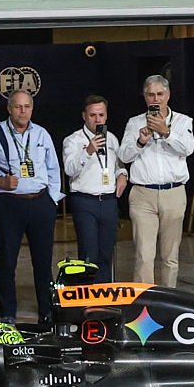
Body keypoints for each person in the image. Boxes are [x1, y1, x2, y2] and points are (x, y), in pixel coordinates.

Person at [0, 89, 64, 327]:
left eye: (27, 106)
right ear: (9, 108)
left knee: (43, 262)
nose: (23, 111)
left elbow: (53, 168)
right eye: (18, 106)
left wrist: (51, 199)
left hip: (40, 203)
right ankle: (8, 313)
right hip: (8, 204)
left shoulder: (42, 134)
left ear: (32, 109)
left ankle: (47, 311)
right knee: (7, 261)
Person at [115, 76, 193, 289]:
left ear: (168, 95)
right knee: (144, 255)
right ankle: (144, 305)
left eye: (160, 94)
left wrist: (166, 131)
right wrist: (141, 141)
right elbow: (124, 155)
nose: (155, 99)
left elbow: (188, 149)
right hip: (143, 195)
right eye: (151, 94)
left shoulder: (183, 121)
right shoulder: (134, 122)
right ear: (145, 97)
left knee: (170, 256)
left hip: (173, 193)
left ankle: (169, 303)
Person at [62, 94, 125, 280]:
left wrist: (122, 175)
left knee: (107, 253)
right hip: (85, 200)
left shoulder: (111, 139)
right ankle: (88, 298)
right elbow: (69, 170)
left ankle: (104, 296)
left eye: (101, 115)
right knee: (89, 254)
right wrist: (88, 151)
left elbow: (119, 165)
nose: (98, 120)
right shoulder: (73, 140)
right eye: (93, 115)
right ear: (84, 116)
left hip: (108, 201)